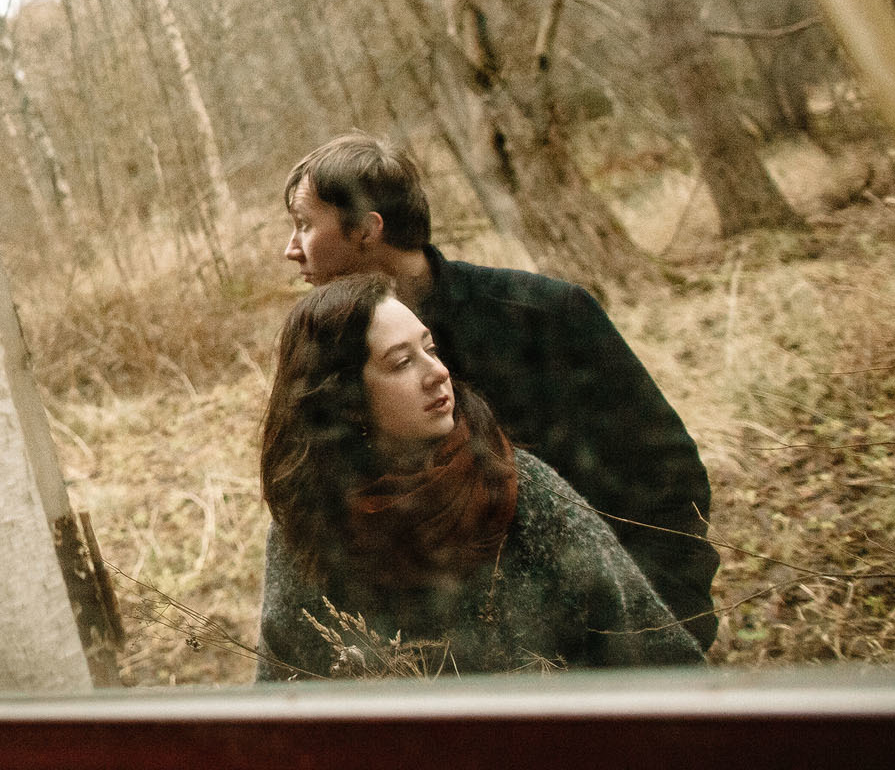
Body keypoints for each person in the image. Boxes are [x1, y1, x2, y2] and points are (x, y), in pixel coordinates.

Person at [280, 133, 719, 648]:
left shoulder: (544, 317)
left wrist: (654, 631)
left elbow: (669, 482)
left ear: (366, 229)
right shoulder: (331, 361)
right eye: (400, 361)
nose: (291, 249)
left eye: (304, 224)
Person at [256, 274, 706, 677]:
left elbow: (660, 656)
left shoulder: (517, 490)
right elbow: (282, 705)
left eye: (430, 349)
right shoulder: (307, 526)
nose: (438, 373)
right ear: (346, 399)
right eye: (402, 362)